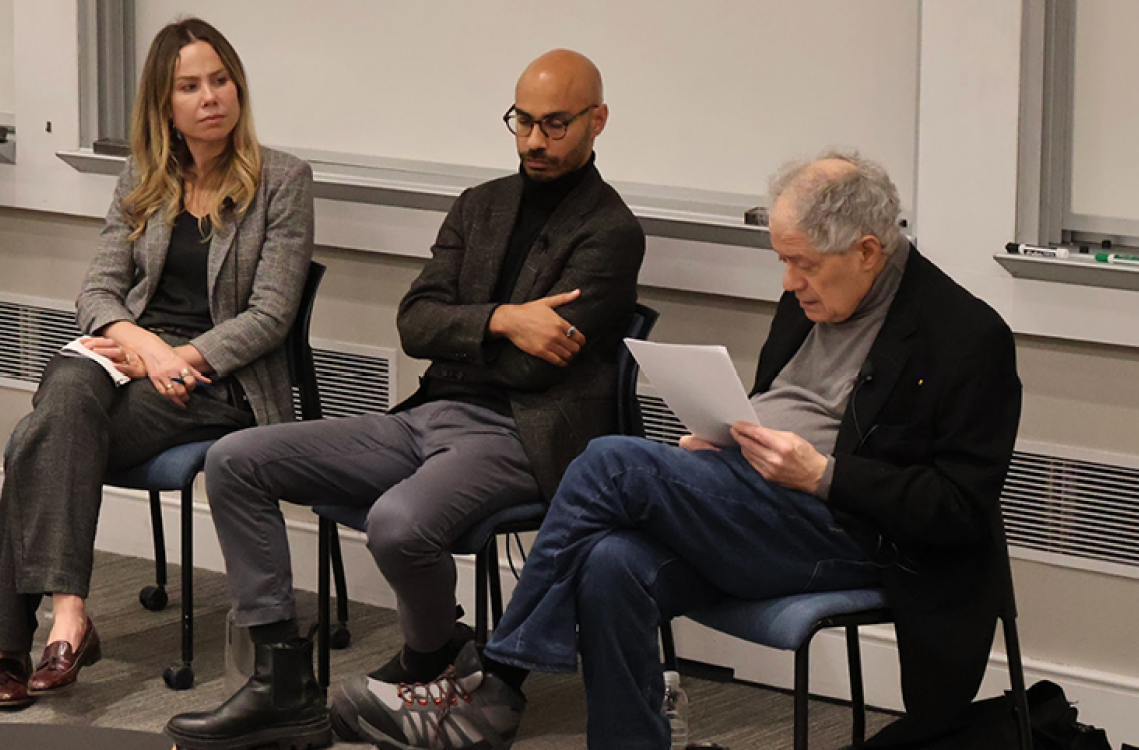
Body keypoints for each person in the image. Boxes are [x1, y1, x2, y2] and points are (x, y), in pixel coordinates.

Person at [344, 152, 1023, 750]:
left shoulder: (965, 337)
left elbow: (959, 509)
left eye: (804, 265)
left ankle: (497, 686)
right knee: (613, 562)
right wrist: (730, 430)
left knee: (613, 461)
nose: (789, 283)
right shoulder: (817, 295)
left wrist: (824, 475)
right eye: (783, 261)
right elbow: (791, 402)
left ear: (869, 251)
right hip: (758, 497)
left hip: (855, 533)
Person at [165, 49, 645, 750]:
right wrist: (506, 320)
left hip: (515, 433)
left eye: (555, 125)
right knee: (236, 458)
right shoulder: (479, 205)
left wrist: (466, 328)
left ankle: (429, 657)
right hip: (424, 416)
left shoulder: (611, 232)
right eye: (522, 122)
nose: (534, 141)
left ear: (597, 121)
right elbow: (415, 322)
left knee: (397, 523)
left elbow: (538, 373)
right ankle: (282, 685)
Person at [0, 17, 314, 714]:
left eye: (219, 80)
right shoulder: (144, 176)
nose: (210, 97)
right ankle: (71, 613)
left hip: (216, 378)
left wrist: (177, 358)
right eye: (190, 86)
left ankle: (11, 642)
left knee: (33, 438)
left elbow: (269, 316)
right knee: (65, 398)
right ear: (165, 105)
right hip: (130, 354)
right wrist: (142, 346)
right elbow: (97, 290)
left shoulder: (282, 180)